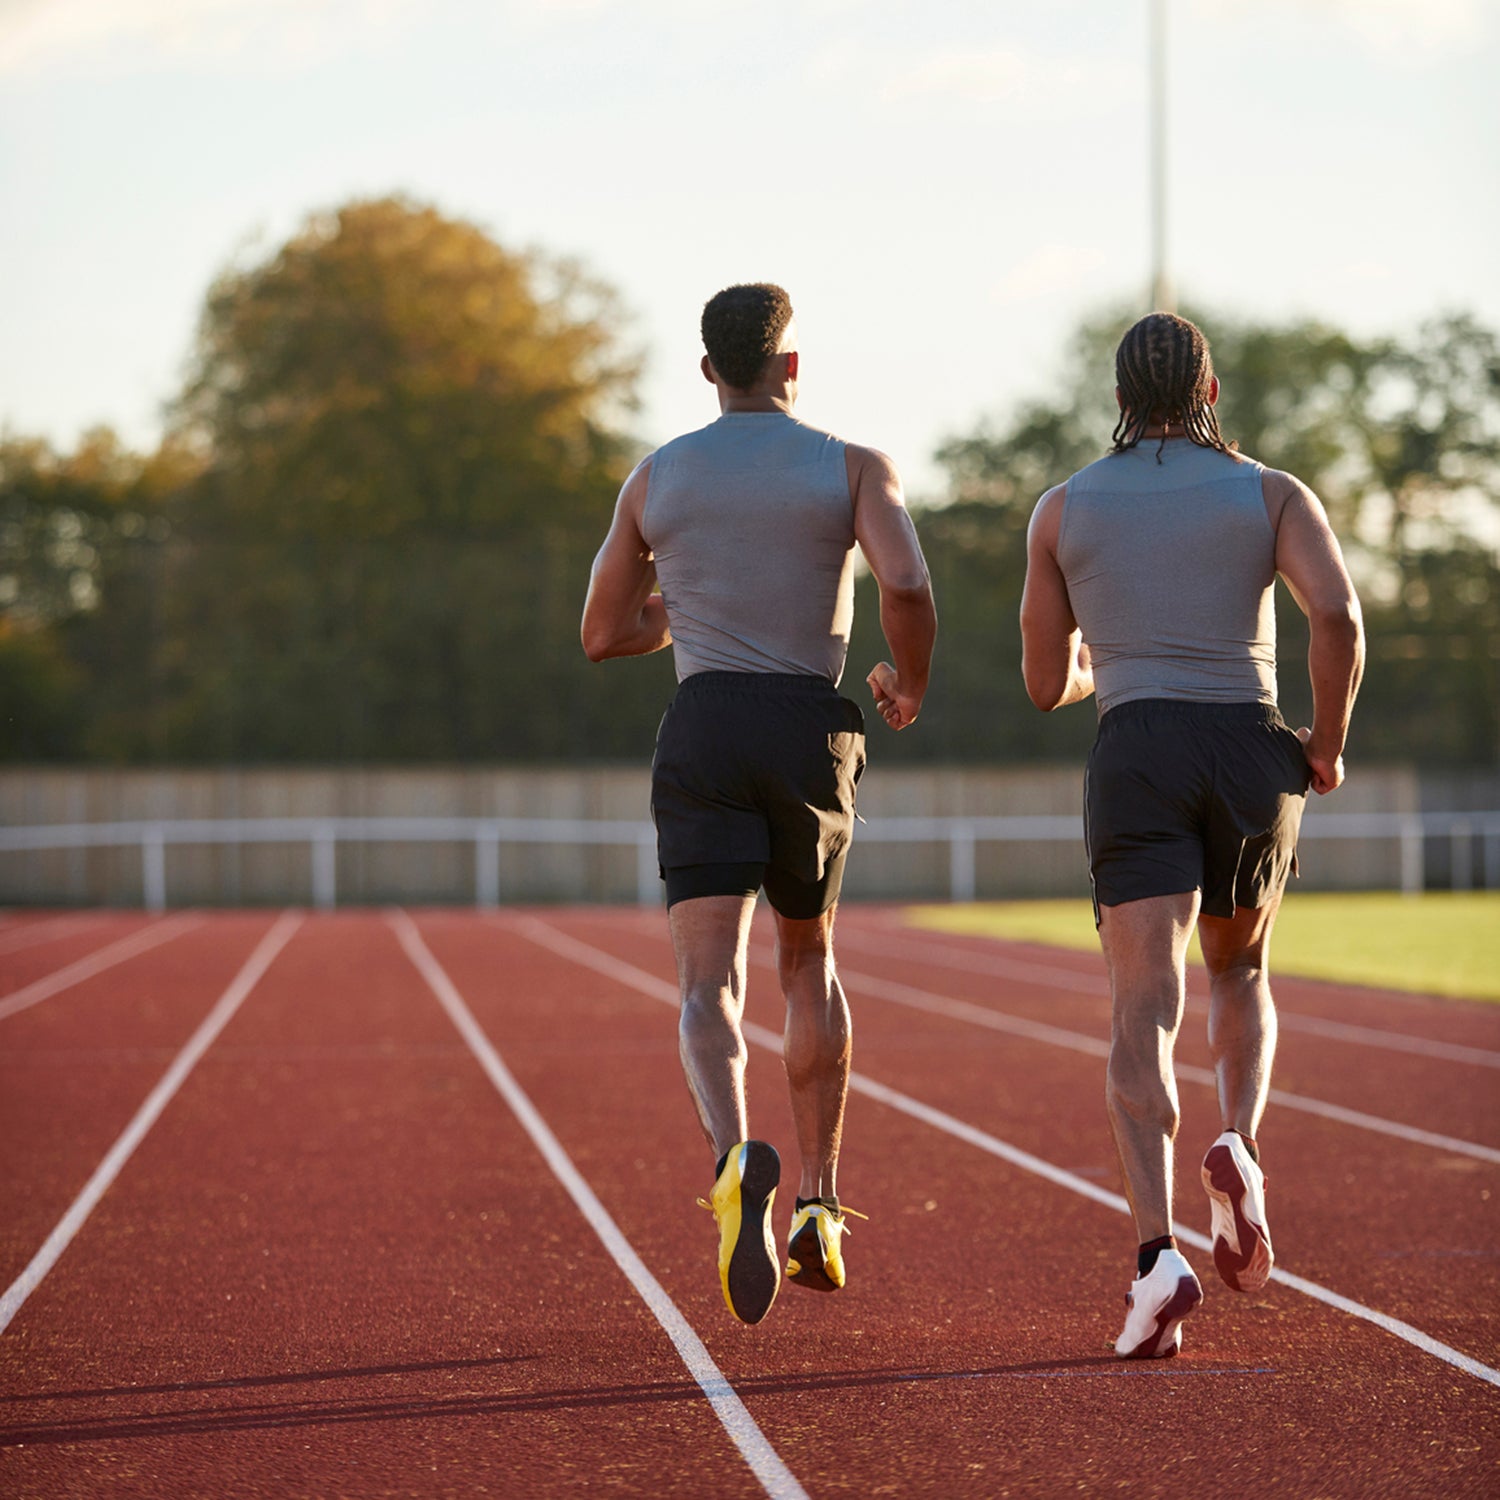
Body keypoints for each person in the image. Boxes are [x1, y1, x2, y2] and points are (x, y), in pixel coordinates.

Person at [581, 283, 937, 1325]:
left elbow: (603, 634)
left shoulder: (656, 479)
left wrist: (679, 610)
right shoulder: (854, 466)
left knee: (707, 985)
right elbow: (907, 584)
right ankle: (819, 1205)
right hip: (804, 725)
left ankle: (735, 1159)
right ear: (791, 367)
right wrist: (908, 682)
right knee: (808, 959)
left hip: (702, 722)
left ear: (706, 373)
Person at [1019, 311, 1364, 1359]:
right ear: (1209, 394)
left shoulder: (1064, 508)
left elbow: (1045, 684)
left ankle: (1155, 1257)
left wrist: (1101, 669)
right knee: (1241, 973)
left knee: (1142, 1009)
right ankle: (1241, 1143)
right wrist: (1328, 746)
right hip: (1251, 745)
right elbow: (1339, 618)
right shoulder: (1271, 492)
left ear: (1120, 402)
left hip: (1137, 748)